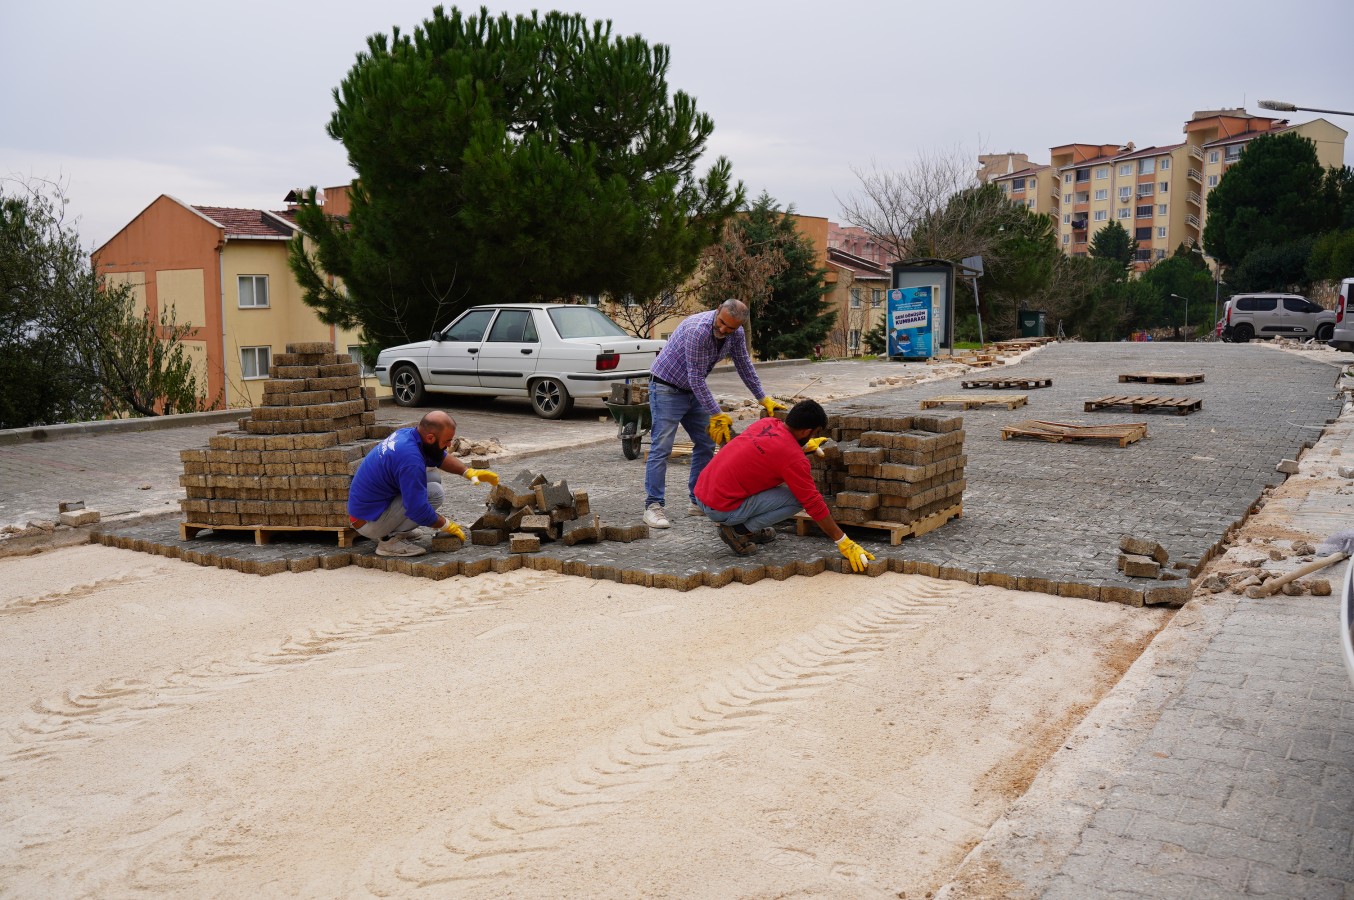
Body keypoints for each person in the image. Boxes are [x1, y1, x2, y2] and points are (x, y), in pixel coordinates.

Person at [642, 298, 786, 529]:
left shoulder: (735, 333)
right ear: (717, 310)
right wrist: (716, 413)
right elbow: (696, 377)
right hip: (666, 386)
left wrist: (762, 397)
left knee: (706, 444)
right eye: (721, 323)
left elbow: (744, 365)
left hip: (691, 389)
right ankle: (653, 505)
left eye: (729, 328)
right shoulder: (697, 330)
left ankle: (697, 500)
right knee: (662, 447)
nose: (722, 330)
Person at [693, 399, 876, 573]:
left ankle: (743, 526)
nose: (815, 436)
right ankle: (738, 530)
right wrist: (843, 541)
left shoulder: (767, 423)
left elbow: (770, 450)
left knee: (771, 476)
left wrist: (801, 447)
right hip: (720, 508)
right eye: (815, 433)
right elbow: (813, 502)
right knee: (798, 499)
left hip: (701, 492)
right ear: (806, 432)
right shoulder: (793, 459)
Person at [347, 410, 499, 557]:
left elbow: (440, 457)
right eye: (447, 441)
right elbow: (417, 510)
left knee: (432, 476)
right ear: (431, 438)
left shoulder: (408, 435)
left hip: (368, 510)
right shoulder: (410, 460)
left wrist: (468, 472)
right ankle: (388, 541)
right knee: (434, 493)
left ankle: (397, 529)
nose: (449, 445)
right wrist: (446, 525)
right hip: (367, 523)